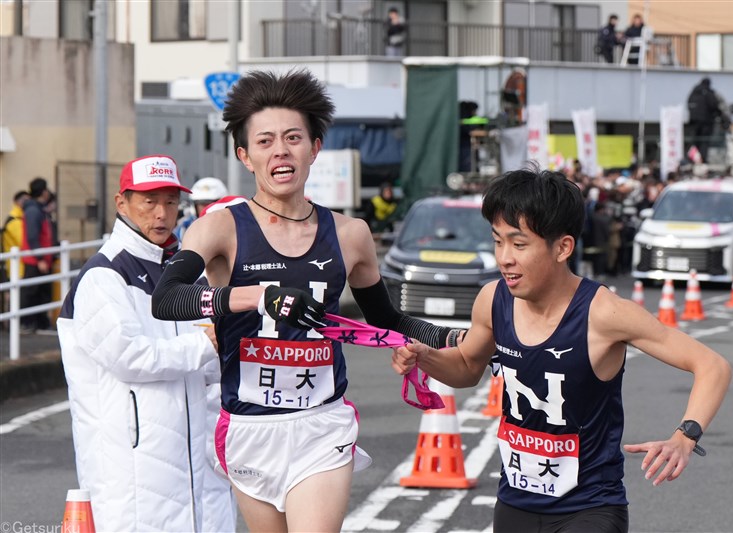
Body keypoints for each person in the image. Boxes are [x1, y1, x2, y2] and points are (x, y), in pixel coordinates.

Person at [151, 69, 466, 533]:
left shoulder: (350, 235)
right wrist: (257, 297)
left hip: (321, 425)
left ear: (314, 147)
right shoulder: (221, 228)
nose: (280, 150)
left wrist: (454, 336)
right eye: (264, 142)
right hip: (249, 426)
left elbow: (386, 318)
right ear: (245, 155)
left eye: (293, 137)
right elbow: (167, 298)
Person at [391, 168, 732, 532]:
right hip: (515, 503)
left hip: (590, 509)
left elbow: (711, 365)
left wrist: (684, 438)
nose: (504, 258)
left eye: (519, 244)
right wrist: (425, 358)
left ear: (563, 247)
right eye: (498, 241)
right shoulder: (493, 300)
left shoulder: (603, 313)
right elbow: (467, 366)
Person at [57, 154, 237, 532]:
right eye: (149, 201)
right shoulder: (104, 275)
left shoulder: (180, 271)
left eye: (171, 201)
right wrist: (207, 344)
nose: (162, 213)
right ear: (122, 203)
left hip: (185, 455)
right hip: (129, 462)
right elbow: (128, 356)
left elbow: (209, 363)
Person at [20, 177, 55, 332]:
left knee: (41, 292)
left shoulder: (37, 209)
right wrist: (40, 258)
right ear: (43, 191)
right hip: (35, 259)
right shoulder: (34, 210)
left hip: (40, 258)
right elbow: (32, 237)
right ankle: (27, 324)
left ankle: (40, 323)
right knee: (32, 292)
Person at [1, 190, 30, 318]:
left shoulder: (20, 218)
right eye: (23, 200)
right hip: (15, 267)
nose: (26, 203)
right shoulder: (14, 221)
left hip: (19, 266)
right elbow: (23, 241)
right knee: (15, 297)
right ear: (16, 202)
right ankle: (14, 325)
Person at [175, 176, 229, 241]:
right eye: (202, 204)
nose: (207, 208)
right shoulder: (184, 229)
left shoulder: (232, 228)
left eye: (210, 204)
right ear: (195, 206)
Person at [686, 78, 722, 164]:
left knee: (695, 141)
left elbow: (689, 104)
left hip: (694, 122)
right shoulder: (708, 92)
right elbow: (714, 105)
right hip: (706, 122)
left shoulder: (694, 92)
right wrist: (719, 114)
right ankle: (703, 160)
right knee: (704, 141)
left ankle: (692, 159)